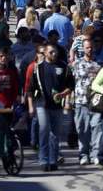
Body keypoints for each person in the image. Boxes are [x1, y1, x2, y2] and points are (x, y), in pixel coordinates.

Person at [29, 43, 74, 171]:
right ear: (45, 54)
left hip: (57, 105)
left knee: (55, 134)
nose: (54, 54)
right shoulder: (38, 68)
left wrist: (63, 94)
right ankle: (43, 160)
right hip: (42, 104)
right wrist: (31, 106)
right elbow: (30, 89)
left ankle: (53, 160)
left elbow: (70, 85)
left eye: (55, 52)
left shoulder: (63, 67)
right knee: (43, 130)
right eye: (51, 52)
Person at [72, 39, 101, 166]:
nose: (89, 49)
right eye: (87, 47)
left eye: (91, 47)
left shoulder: (98, 65)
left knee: (96, 128)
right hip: (80, 101)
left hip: (95, 102)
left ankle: (95, 154)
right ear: (83, 49)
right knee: (82, 129)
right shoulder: (76, 64)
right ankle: (83, 154)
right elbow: (70, 82)